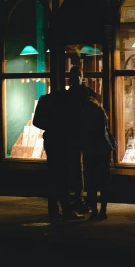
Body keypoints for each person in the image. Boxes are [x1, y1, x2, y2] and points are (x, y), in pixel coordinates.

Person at [32, 87, 85, 221]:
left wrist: (50, 127)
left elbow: (36, 121)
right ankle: (66, 209)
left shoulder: (45, 100)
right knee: (64, 176)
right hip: (64, 142)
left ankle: (53, 209)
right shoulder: (68, 101)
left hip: (51, 141)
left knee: (53, 175)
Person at [67, 65, 98, 213]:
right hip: (82, 135)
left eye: (76, 76)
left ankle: (83, 198)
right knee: (81, 167)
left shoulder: (71, 94)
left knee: (81, 167)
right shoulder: (86, 93)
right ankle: (84, 198)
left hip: (79, 134)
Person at [79, 89, 113, 220]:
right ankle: (103, 210)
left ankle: (94, 210)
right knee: (104, 180)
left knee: (91, 180)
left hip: (91, 149)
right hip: (103, 148)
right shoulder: (99, 110)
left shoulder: (82, 112)